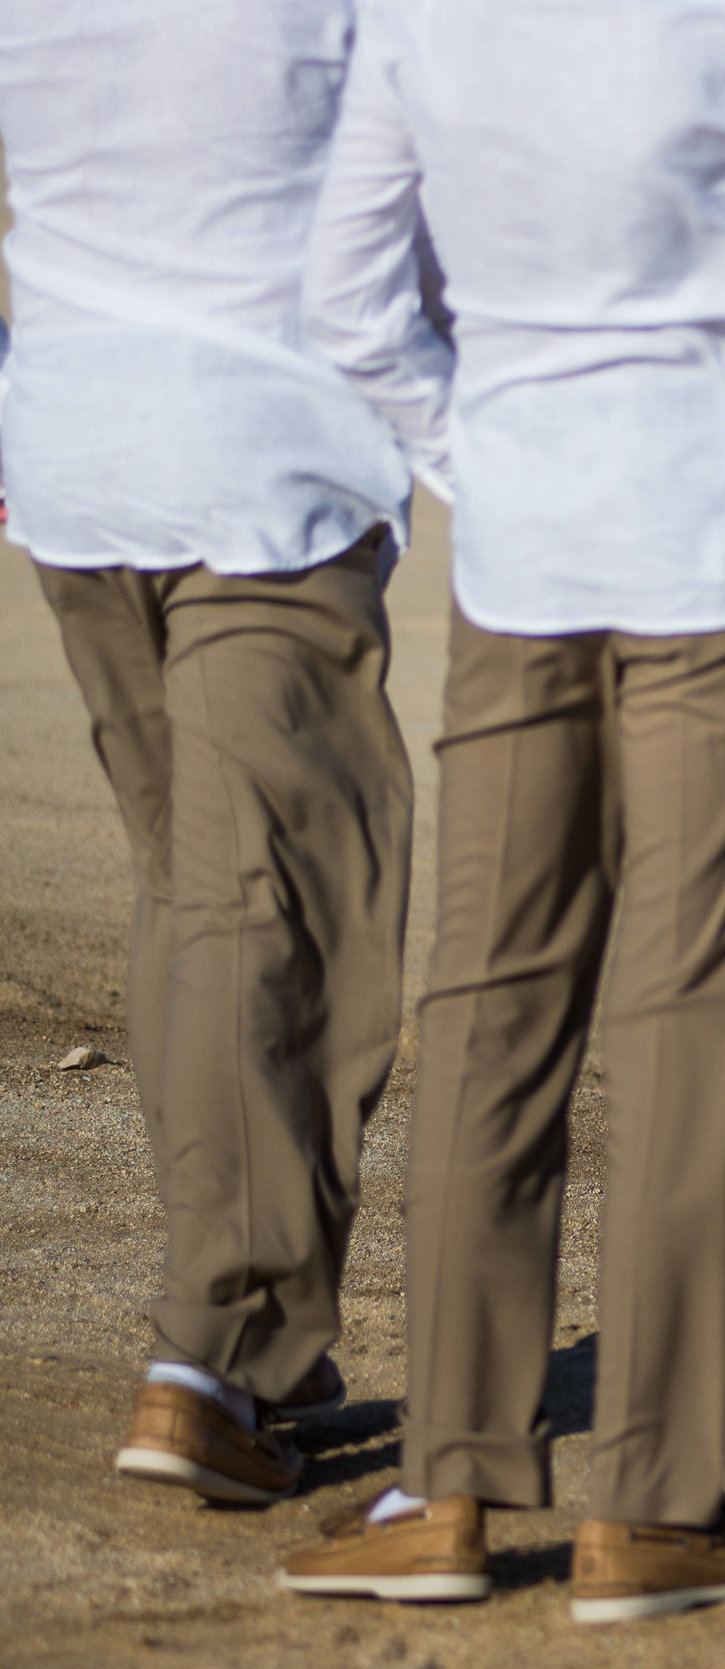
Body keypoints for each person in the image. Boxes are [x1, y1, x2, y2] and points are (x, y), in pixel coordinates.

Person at [274, 0, 725, 1624]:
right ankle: (654, 1505)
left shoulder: (423, 25)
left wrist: (480, 441)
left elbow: (350, 293)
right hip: (715, 550)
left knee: (490, 1001)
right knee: (690, 1005)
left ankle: (448, 1481)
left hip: (528, 551)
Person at [0, 0, 418, 1504]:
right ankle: (214, 1359)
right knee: (278, 912)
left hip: (77, 454)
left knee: (195, 892)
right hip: (269, 454)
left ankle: (243, 1344)